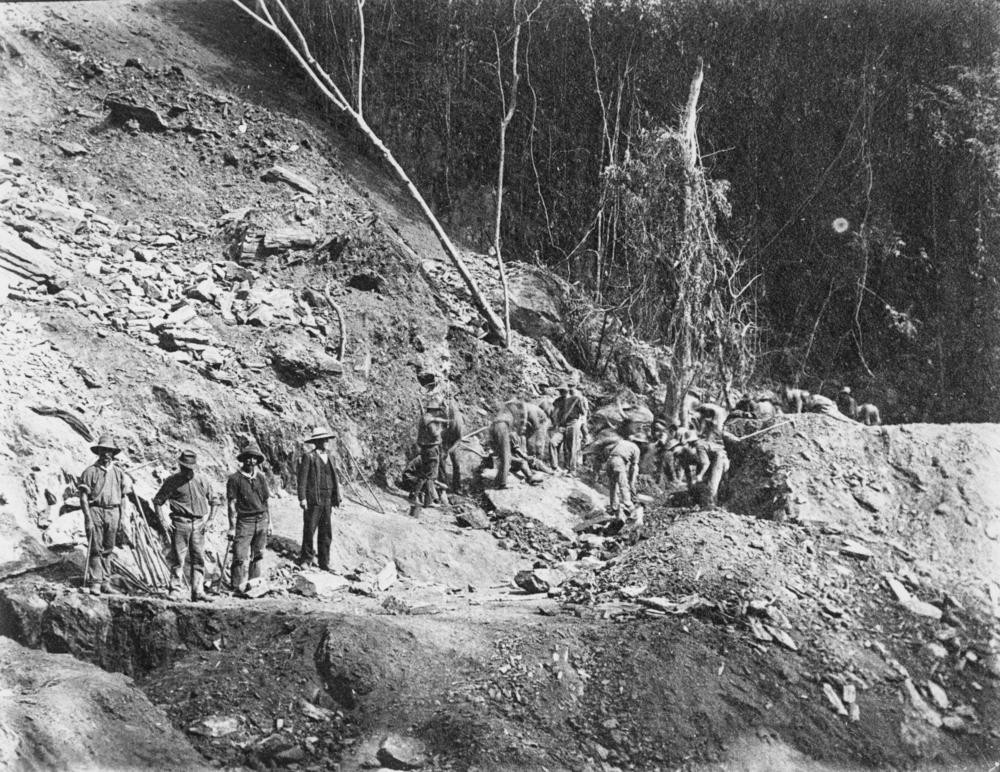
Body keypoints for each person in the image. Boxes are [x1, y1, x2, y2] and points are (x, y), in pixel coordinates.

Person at [153, 450, 219, 602]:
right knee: (178, 558)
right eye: (184, 466)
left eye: (189, 467)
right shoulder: (172, 481)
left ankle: (198, 591)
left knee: (198, 558)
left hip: (199, 524)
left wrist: (210, 520)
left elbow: (215, 501)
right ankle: (175, 590)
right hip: (180, 523)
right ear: (180, 465)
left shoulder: (202, 481)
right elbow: (157, 501)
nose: (187, 470)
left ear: (194, 467)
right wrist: (163, 520)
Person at [77, 434, 132, 595]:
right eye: (103, 450)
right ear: (99, 452)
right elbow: (83, 497)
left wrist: (122, 517)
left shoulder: (119, 473)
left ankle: (106, 582)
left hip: (113, 511)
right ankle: (95, 582)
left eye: (109, 451)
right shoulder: (90, 472)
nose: (106, 454)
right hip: (96, 510)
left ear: (113, 454)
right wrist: (88, 518)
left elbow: (123, 497)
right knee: (95, 548)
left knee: (108, 548)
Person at [226, 443, 270, 596]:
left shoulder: (261, 478)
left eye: (255, 458)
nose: (251, 461)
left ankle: (254, 585)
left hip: (261, 519)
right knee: (239, 555)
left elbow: (265, 501)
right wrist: (232, 527)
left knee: (258, 554)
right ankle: (236, 586)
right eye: (248, 458)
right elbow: (231, 504)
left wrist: (269, 523)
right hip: (245, 521)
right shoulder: (235, 479)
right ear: (243, 459)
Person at [296, 426, 342, 570]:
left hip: (328, 499)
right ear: (316, 442)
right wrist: (302, 498)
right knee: (309, 530)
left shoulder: (331, 457)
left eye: (326, 439)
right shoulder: (309, 457)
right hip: (313, 499)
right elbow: (302, 479)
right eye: (322, 440)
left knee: (326, 532)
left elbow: (335, 478)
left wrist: (337, 496)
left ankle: (324, 561)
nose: (325, 442)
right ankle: (306, 559)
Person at [410, 399, 448, 516]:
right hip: (431, 449)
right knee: (429, 475)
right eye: (437, 410)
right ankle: (415, 495)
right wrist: (441, 428)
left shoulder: (426, 417)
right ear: (434, 410)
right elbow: (434, 434)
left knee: (427, 474)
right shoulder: (430, 419)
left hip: (427, 448)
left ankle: (427, 500)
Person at [550, 383, 588, 471]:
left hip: (573, 424)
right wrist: (556, 423)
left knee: (571, 448)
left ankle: (571, 470)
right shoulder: (558, 401)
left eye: (563, 390)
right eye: (560, 390)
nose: (561, 392)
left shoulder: (576, 399)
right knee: (552, 442)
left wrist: (579, 423)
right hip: (562, 426)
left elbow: (583, 413)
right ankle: (554, 466)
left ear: (568, 390)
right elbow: (554, 413)